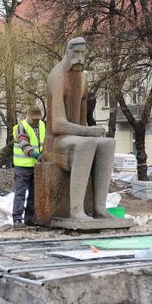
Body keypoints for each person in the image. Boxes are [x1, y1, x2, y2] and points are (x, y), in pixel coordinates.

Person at [45, 37, 115, 220]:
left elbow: (82, 120)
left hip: (74, 136)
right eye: (76, 52)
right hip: (55, 140)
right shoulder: (57, 76)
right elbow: (57, 124)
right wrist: (87, 132)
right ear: (67, 52)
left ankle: (100, 208)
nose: (80, 57)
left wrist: (89, 131)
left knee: (108, 144)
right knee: (87, 144)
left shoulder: (82, 78)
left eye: (83, 53)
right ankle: (76, 211)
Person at [12, 106, 45, 228]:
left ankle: (29, 218)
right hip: (22, 167)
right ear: (28, 116)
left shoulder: (42, 125)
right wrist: (37, 155)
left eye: (38, 118)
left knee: (33, 194)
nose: (36, 121)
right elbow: (24, 145)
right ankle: (17, 219)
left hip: (36, 167)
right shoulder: (22, 126)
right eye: (34, 118)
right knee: (20, 193)